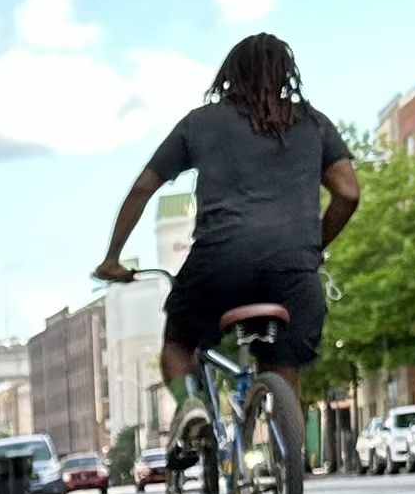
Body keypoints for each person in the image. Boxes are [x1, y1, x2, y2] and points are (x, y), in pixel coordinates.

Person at [91, 34, 361, 447]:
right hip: (294, 271)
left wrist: (113, 258)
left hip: (219, 264)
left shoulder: (200, 123)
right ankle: (283, 456)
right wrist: (315, 246)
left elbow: (145, 186)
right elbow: (348, 191)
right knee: (284, 363)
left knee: (179, 344)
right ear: (286, 74)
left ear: (230, 75)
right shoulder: (314, 124)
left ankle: (192, 407)